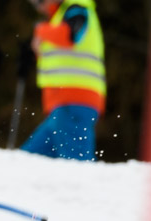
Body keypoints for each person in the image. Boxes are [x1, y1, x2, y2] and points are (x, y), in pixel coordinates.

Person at [20, 0, 106, 161]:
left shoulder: (77, 7)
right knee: (27, 162)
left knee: (76, 166)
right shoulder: (59, 16)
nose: (39, 8)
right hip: (61, 106)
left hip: (75, 101)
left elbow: (69, 36)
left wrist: (41, 31)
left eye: (39, 2)